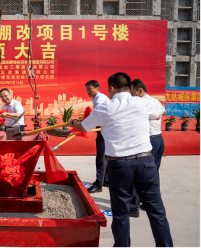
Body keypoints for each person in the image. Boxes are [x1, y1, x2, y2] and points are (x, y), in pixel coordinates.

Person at [67, 73, 173, 248]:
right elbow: (157, 113)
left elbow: (83, 127)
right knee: (157, 212)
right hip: (146, 163)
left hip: (119, 165)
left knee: (121, 214)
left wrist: (73, 121)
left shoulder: (104, 108)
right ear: (129, 87)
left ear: (111, 88)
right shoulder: (142, 102)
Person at [130, 79, 166, 212]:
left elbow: (156, 116)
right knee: (153, 173)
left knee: (138, 173)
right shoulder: (155, 101)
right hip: (159, 139)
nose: (132, 96)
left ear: (140, 90)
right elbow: (163, 113)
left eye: (133, 92)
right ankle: (149, 202)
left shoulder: (140, 102)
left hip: (147, 141)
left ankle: (133, 207)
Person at [85, 80, 110, 193]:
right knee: (104, 157)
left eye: (90, 89)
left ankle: (98, 185)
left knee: (101, 158)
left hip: (104, 131)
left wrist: (84, 125)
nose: (88, 92)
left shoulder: (100, 100)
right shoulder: (96, 99)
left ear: (97, 88)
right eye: (87, 90)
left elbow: (98, 117)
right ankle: (105, 180)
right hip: (102, 130)